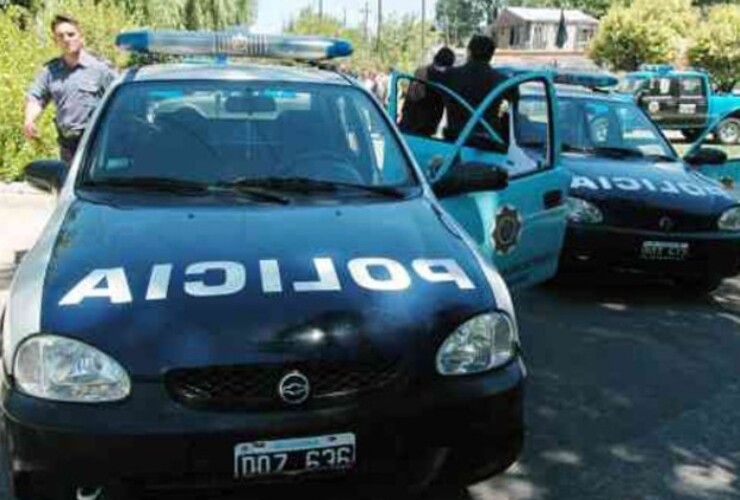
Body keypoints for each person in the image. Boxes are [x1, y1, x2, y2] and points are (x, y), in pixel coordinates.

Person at [24, 14, 117, 165]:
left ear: (81, 37)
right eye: (61, 36)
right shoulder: (50, 71)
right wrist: (29, 120)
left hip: (96, 141)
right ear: (55, 41)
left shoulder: (100, 69)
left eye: (71, 34)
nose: (66, 39)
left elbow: (118, 100)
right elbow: (36, 97)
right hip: (67, 143)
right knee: (68, 183)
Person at [432, 34, 513, 146]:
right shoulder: (501, 80)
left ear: (469, 52)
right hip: (489, 144)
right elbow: (516, 99)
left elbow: (427, 74)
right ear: (491, 55)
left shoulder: (450, 75)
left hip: (455, 142)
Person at [398, 47, 456, 137]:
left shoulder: (422, 71)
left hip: (409, 121)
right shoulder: (448, 78)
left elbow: (413, 96)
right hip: (428, 125)